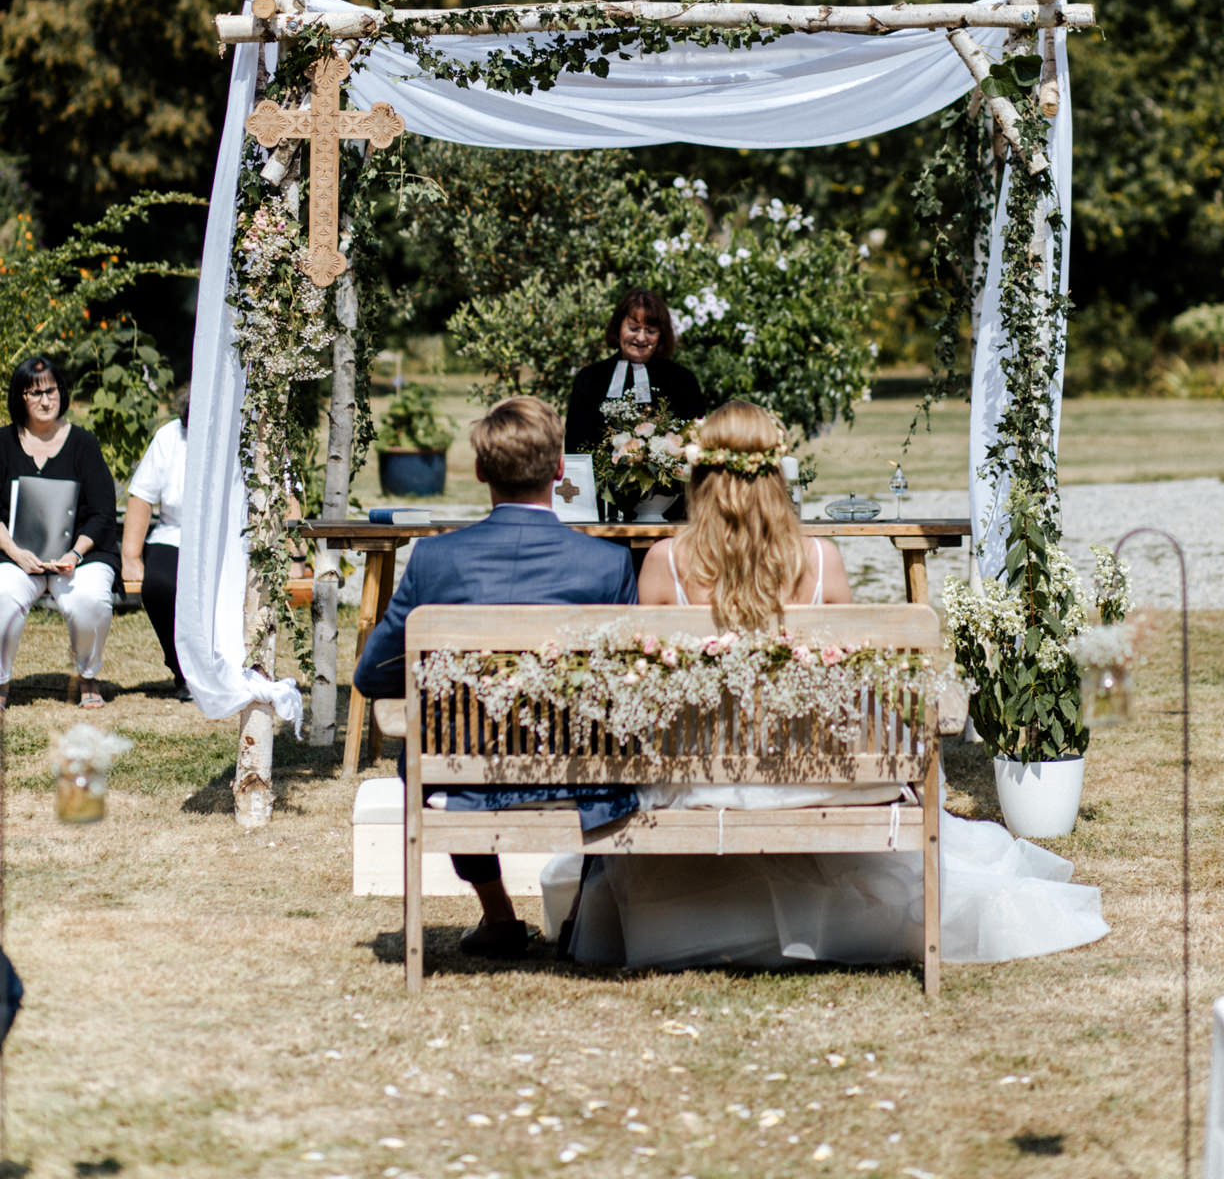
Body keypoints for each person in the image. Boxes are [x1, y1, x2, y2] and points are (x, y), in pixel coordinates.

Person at [552, 400, 1111, 971]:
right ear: (776, 472)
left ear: (699, 472)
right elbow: (852, 678)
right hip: (810, 768)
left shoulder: (666, 561)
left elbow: (651, 689)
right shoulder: (819, 560)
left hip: (700, 773)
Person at [354, 394, 639, 960]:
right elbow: (627, 685)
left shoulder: (436, 561)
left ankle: (499, 913)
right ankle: (581, 914)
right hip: (579, 770)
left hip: (463, 769)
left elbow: (372, 673)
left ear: (481, 470)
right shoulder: (608, 565)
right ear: (560, 469)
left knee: (419, 748)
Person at [0, 354, 120, 710]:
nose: (45, 400)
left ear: (61, 393)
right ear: (19, 397)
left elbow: (102, 513)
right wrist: (15, 552)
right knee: (2, 597)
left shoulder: (84, 443)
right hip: (15, 555)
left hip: (79, 557)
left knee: (90, 601)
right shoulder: (3, 442)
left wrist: (75, 554)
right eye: (34, 393)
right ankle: (1, 683)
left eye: (50, 391)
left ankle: (87, 676)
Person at [563, 287, 705, 459]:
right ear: (618, 328)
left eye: (650, 331)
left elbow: (696, 442)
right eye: (633, 328)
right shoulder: (590, 379)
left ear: (661, 335)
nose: (641, 338)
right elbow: (575, 447)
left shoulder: (683, 380)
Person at [122, 383, 191, 700]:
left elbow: (285, 495)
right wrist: (131, 557)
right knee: (159, 585)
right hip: (175, 533)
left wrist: (297, 555)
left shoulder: (251, 433)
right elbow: (142, 497)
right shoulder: (169, 436)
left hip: (234, 538)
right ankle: (182, 670)